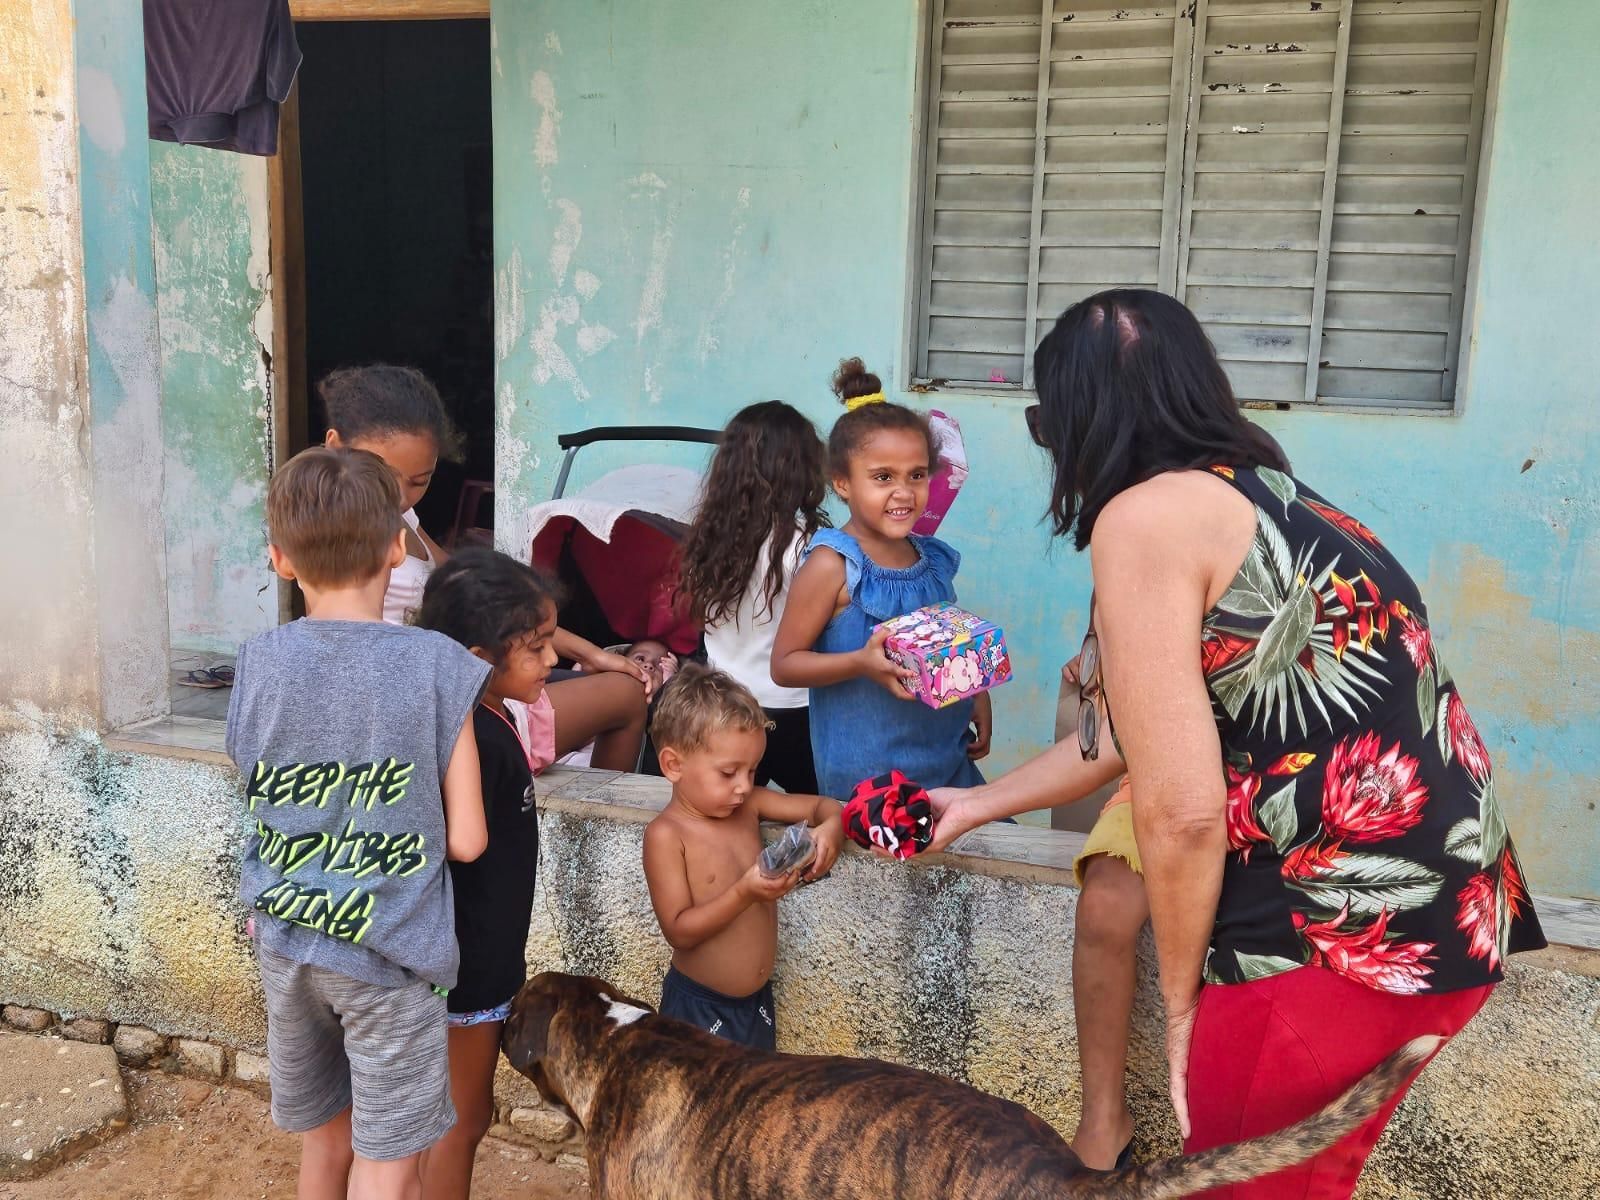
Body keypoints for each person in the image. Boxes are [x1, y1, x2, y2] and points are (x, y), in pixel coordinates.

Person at [924, 289, 1546, 1198]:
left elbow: (1179, 813)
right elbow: (1128, 739)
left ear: (1083, 417)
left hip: (1323, 941)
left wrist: (1182, 1008)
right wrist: (974, 804)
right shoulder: (1289, 505)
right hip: (1448, 920)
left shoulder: (1141, 520)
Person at [226, 447, 491, 1200]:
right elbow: (468, 838)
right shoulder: (438, 665)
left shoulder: (256, 662)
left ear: (280, 558)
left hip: (285, 944)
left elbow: (261, 787)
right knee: (389, 1163)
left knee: (327, 1144)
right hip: (387, 958)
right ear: (398, 546)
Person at [320, 363, 651, 770]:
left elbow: (482, 596)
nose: (402, 497)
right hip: (444, 711)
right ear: (335, 445)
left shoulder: (400, 517)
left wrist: (592, 653)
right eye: (384, 476)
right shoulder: (337, 541)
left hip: (469, 684)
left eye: (420, 480)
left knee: (625, 685)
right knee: (626, 697)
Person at [410, 547, 561, 1200]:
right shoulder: (470, 739)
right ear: (478, 659)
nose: (553, 660)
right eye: (537, 647)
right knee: (461, 1118)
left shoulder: (482, 718)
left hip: (468, 961)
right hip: (467, 974)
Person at [770, 358, 991, 802]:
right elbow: (785, 665)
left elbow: (946, 640)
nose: (904, 492)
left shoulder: (931, 557)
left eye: (917, 475)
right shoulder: (833, 565)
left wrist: (978, 695)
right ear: (843, 483)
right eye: (882, 477)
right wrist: (860, 663)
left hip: (947, 759)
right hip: (871, 781)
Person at [642, 665, 844, 1049]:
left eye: (752, 771)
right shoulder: (667, 836)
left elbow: (823, 806)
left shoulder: (749, 805)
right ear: (673, 765)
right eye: (729, 772)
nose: (744, 786)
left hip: (756, 1005)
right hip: (698, 1010)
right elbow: (679, 931)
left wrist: (829, 830)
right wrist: (746, 893)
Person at [677, 400, 830, 793]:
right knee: (827, 814)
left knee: (730, 817)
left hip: (725, 706)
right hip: (797, 710)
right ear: (802, 470)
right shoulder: (811, 548)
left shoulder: (711, 539)